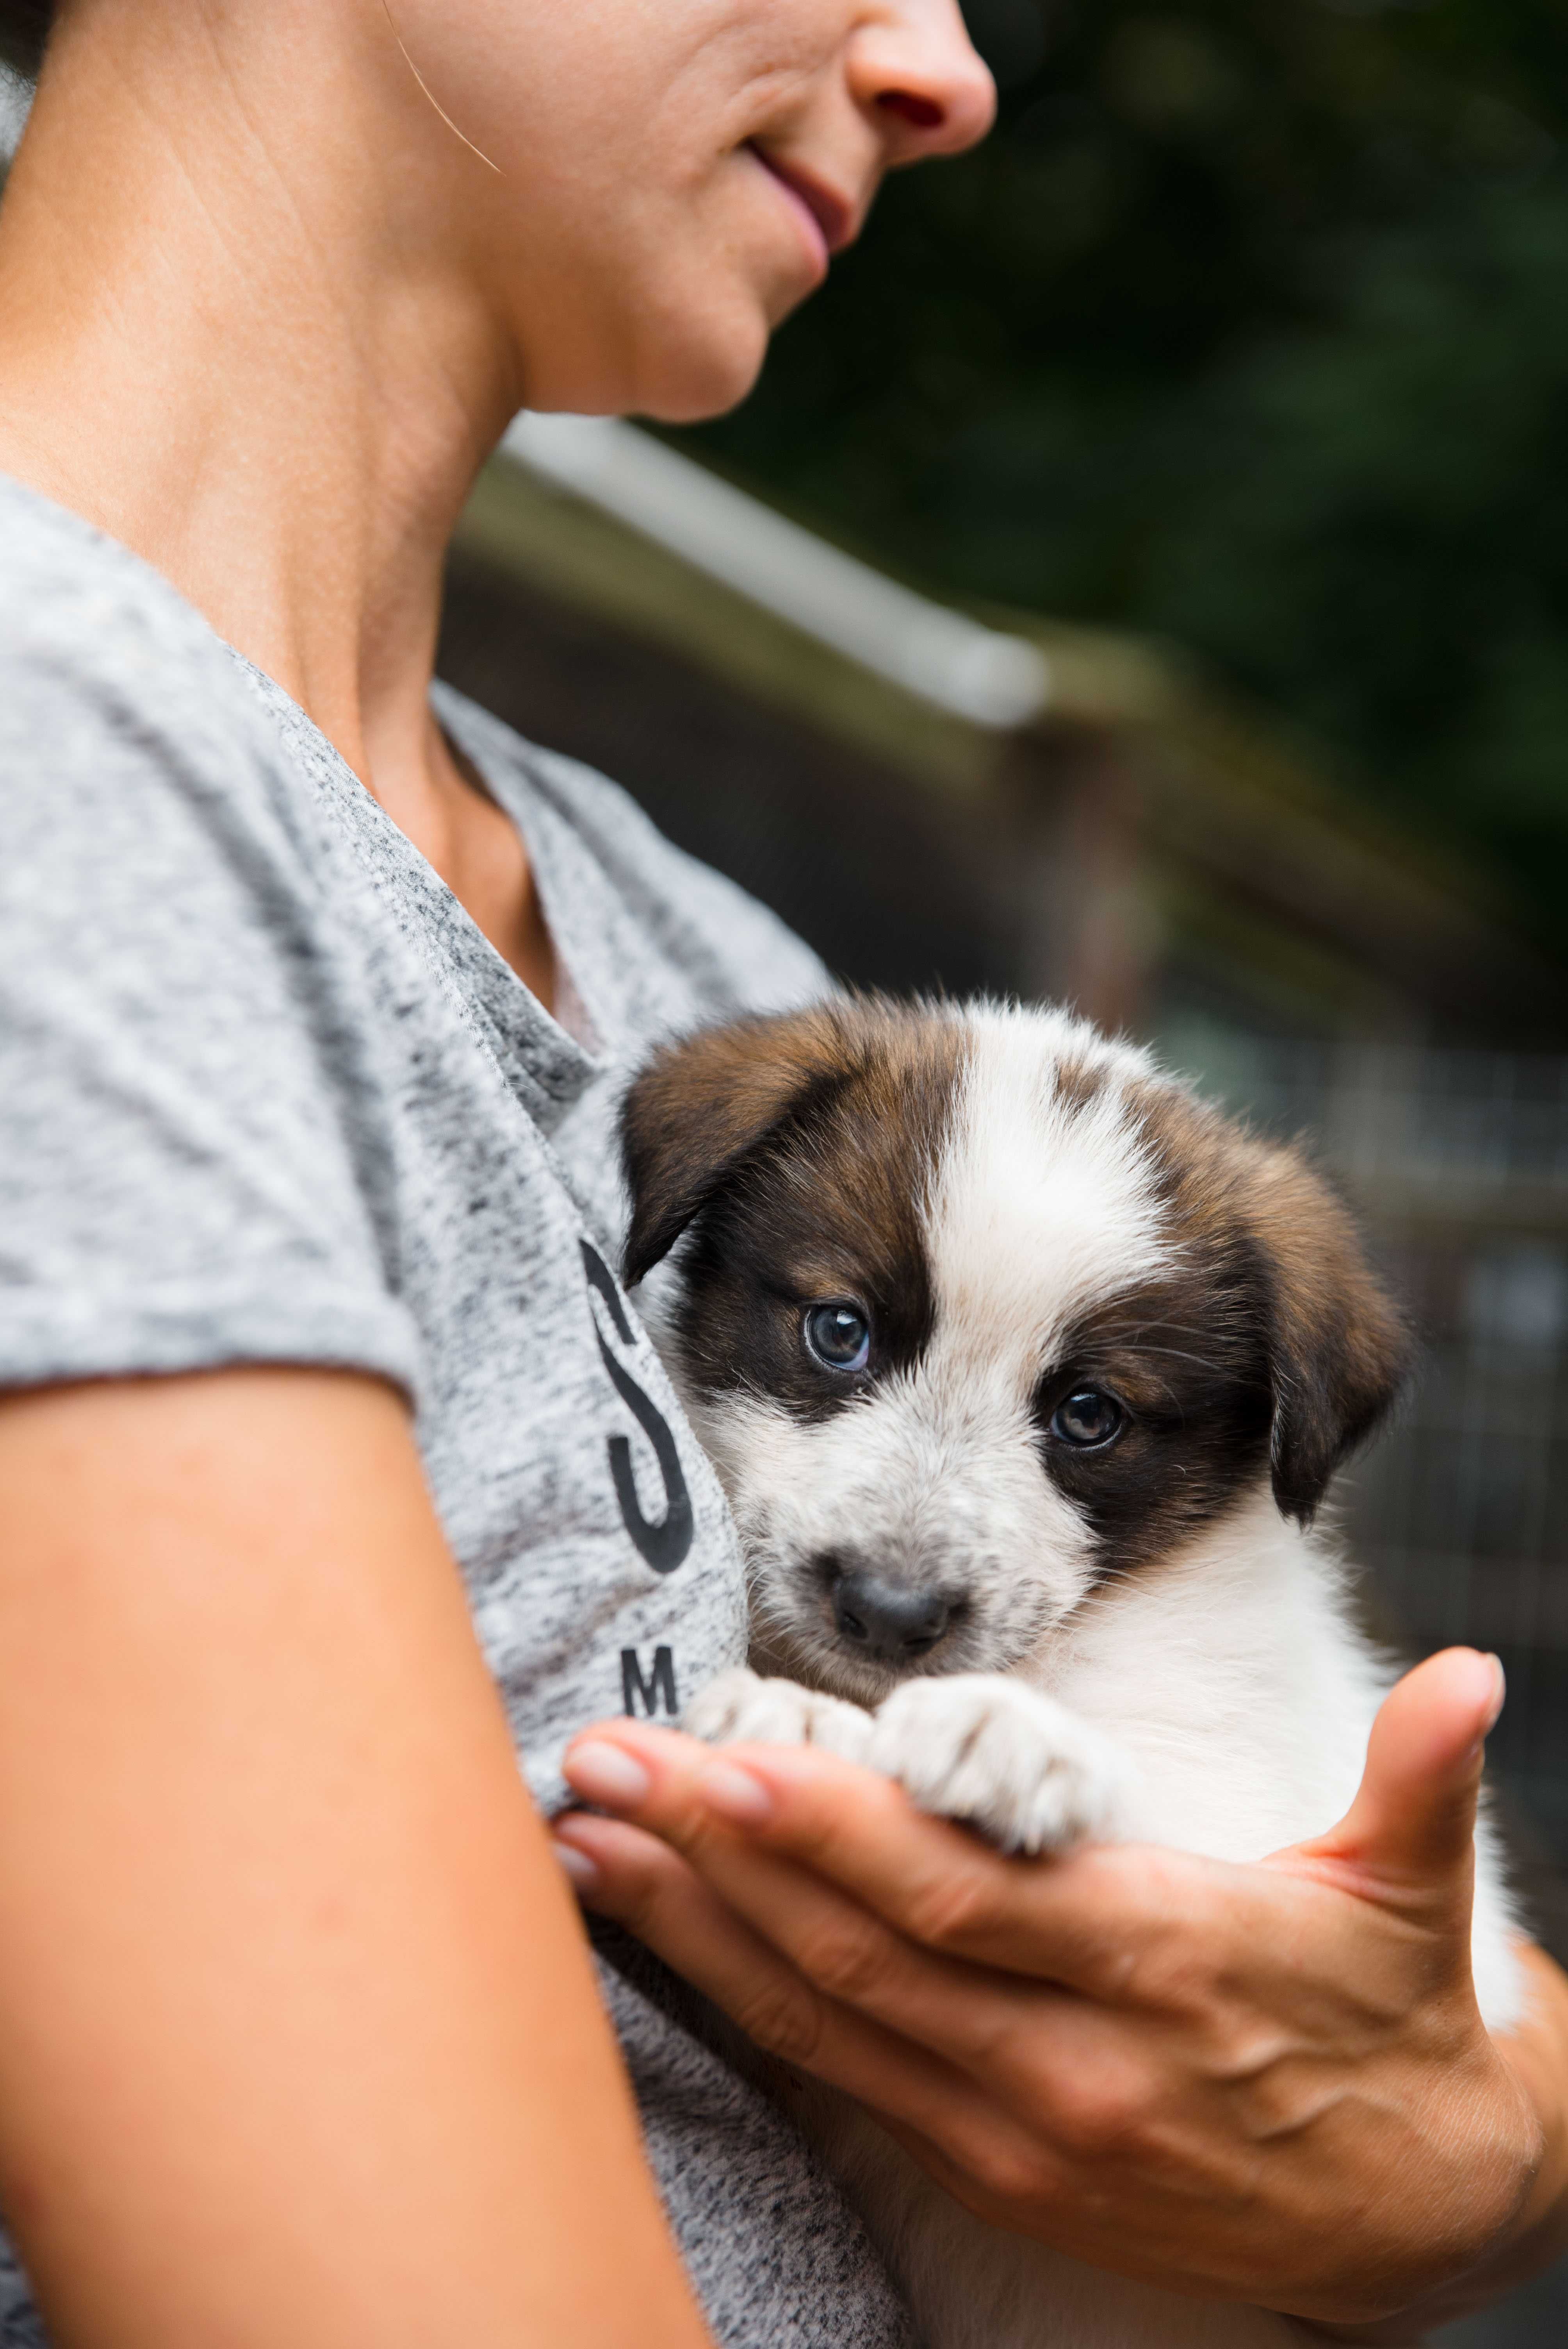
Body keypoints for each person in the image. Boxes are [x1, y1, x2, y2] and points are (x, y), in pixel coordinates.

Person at [0, 5, 1563, 2348]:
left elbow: (1412, 2015)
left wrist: (1481, 2147)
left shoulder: (698, 951)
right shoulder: (57, 768)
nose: (946, 68)